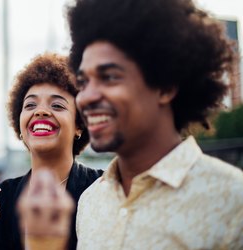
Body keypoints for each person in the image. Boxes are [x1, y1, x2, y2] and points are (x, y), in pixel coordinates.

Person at [61, 0, 243, 249]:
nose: (86, 97)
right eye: (83, 82)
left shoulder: (233, 201)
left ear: (165, 86)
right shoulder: (90, 202)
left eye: (110, 77)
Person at [0, 53, 103, 250]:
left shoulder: (103, 190)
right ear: (20, 127)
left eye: (57, 105)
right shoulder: (0, 200)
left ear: (79, 125)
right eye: (30, 105)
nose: (40, 111)